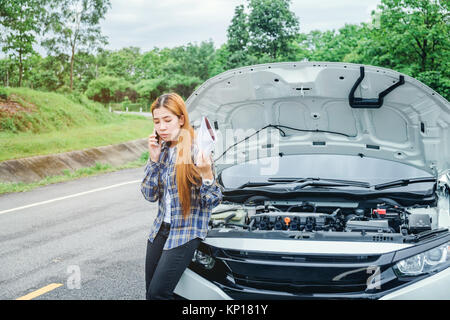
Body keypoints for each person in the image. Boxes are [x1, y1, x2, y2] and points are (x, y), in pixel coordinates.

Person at [140, 92, 223, 300]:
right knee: (152, 291)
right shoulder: (163, 149)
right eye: (157, 121)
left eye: (167, 120)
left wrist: (206, 175)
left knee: (159, 293)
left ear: (181, 119)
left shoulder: (197, 150)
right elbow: (149, 194)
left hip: (186, 232)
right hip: (160, 229)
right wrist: (154, 159)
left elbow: (212, 201)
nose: (162, 127)